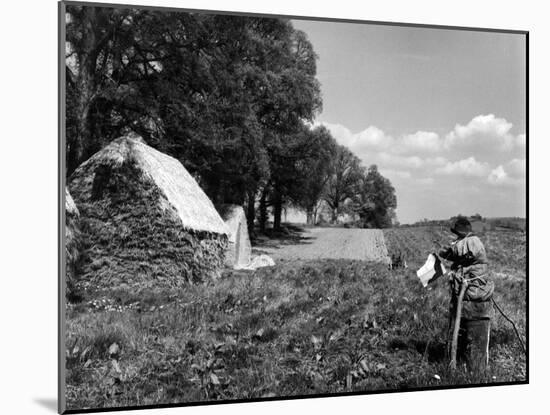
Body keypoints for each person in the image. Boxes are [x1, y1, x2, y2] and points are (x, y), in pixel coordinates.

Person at [438, 217, 494, 374]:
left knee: (476, 342)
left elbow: (460, 250)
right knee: (461, 334)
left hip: (475, 300)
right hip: (464, 300)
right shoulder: (464, 244)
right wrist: (446, 252)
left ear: (463, 232)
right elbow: (452, 253)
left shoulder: (473, 241)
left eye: (458, 234)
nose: (456, 238)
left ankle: (477, 372)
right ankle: (458, 363)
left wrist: (450, 250)